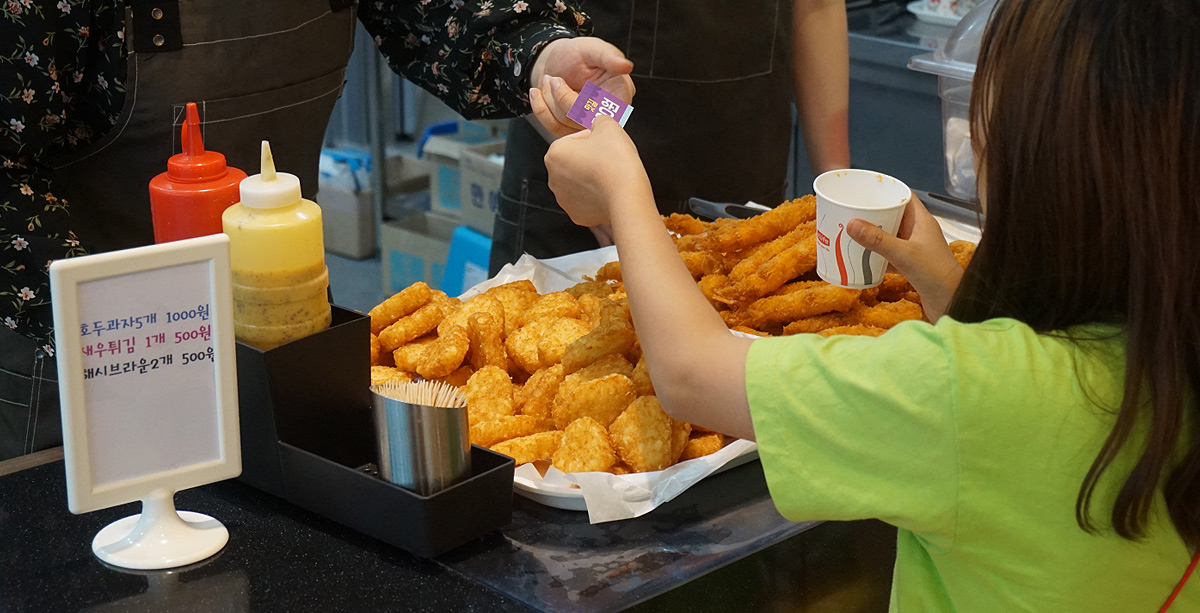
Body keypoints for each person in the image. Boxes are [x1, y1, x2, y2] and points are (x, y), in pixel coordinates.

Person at [541, 0, 1200, 609]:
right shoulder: (1169, 358)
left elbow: (690, 373)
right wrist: (952, 294)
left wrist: (625, 186)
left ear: (1034, 164)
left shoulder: (961, 393)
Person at [0, 0, 629, 460]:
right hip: (80, 374)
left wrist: (541, 55)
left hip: (285, 338)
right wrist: (137, 339)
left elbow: (447, 14)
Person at [488, 0, 851, 274]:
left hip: (744, 169)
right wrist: (583, 149)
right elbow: (502, 26)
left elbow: (817, 7)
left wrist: (840, 186)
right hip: (575, 186)